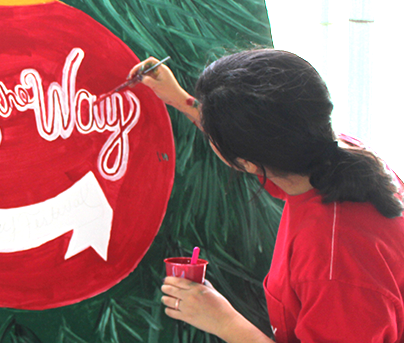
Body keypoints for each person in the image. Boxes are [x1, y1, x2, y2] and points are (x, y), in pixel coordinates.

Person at [136, 49, 404, 342]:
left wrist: (224, 322)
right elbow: (267, 140)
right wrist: (183, 101)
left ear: (248, 164)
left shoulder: (331, 263)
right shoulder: (339, 154)